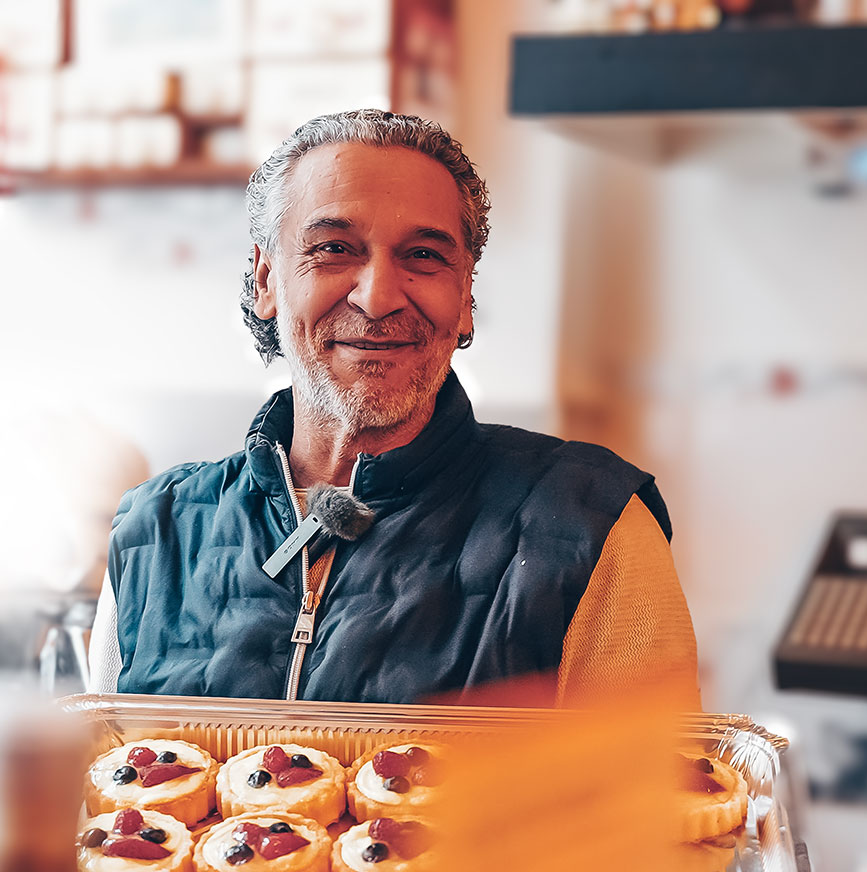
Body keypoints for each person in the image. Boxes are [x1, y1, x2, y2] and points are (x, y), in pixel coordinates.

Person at [89, 109, 697, 706]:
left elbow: (653, 775)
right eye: (334, 248)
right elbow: (111, 769)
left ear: (465, 297)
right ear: (267, 280)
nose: (378, 297)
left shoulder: (592, 526)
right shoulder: (155, 533)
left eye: (424, 255)